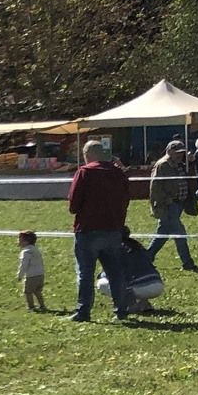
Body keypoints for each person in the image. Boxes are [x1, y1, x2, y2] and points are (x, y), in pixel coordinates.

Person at [67, 138, 133, 322]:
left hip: (88, 229)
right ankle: (121, 310)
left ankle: (83, 311)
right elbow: (126, 199)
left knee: (85, 273)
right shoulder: (119, 173)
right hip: (113, 229)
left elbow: (73, 205)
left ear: (87, 155)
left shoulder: (85, 172)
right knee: (115, 273)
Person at [145, 138, 198, 272]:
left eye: (182, 152)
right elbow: (155, 187)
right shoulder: (162, 165)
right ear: (169, 151)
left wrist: (191, 163)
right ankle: (187, 263)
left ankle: (145, 259)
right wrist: (163, 201)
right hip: (168, 205)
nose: (180, 155)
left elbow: (190, 179)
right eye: (177, 152)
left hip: (178, 205)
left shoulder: (179, 164)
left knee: (162, 235)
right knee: (180, 235)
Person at [17, 230, 46, 312]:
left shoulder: (26, 252)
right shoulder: (36, 250)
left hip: (31, 276)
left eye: (20, 240)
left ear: (25, 242)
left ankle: (31, 306)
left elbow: (24, 264)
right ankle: (42, 305)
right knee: (37, 291)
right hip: (40, 274)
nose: (18, 242)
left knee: (28, 292)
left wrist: (20, 275)